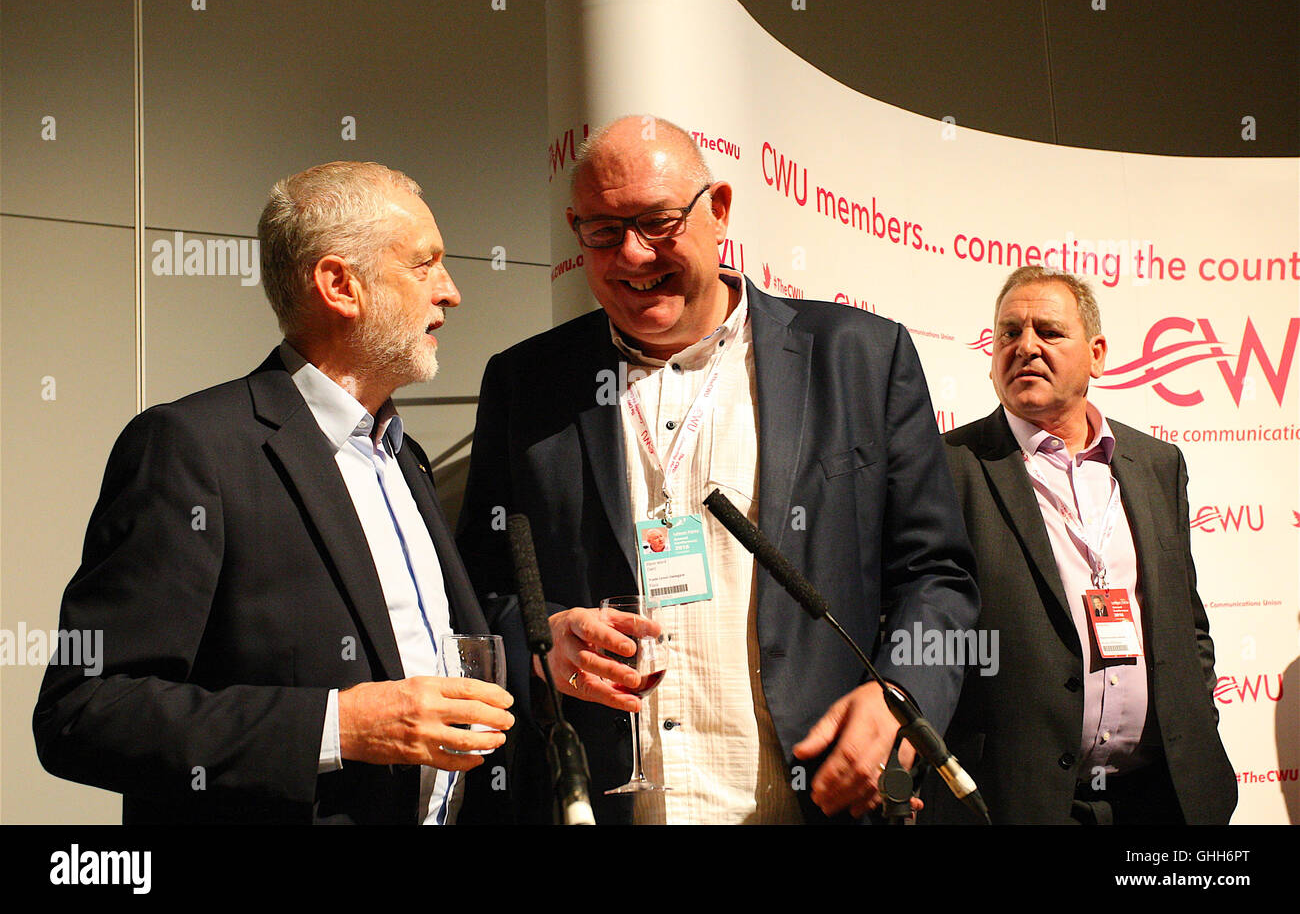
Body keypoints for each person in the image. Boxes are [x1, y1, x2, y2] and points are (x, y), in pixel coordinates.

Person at [456, 116, 978, 824]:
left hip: (815, 801)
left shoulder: (858, 356)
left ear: (720, 210)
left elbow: (936, 578)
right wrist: (543, 641)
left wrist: (902, 701)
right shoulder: (526, 384)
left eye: (658, 222)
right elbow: (478, 593)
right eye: (603, 231)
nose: (634, 255)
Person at [33, 161, 514, 824]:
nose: (451, 291)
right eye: (425, 264)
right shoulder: (194, 448)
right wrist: (340, 725)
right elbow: (86, 712)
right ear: (341, 285)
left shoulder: (408, 459)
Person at [924, 266, 1236, 824]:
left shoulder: (1157, 464)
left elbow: (1186, 623)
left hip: (1163, 797)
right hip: (1019, 800)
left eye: (1048, 331)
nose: (1026, 348)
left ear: (1096, 354)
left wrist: (1197, 717)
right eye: (1009, 334)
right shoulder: (949, 466)